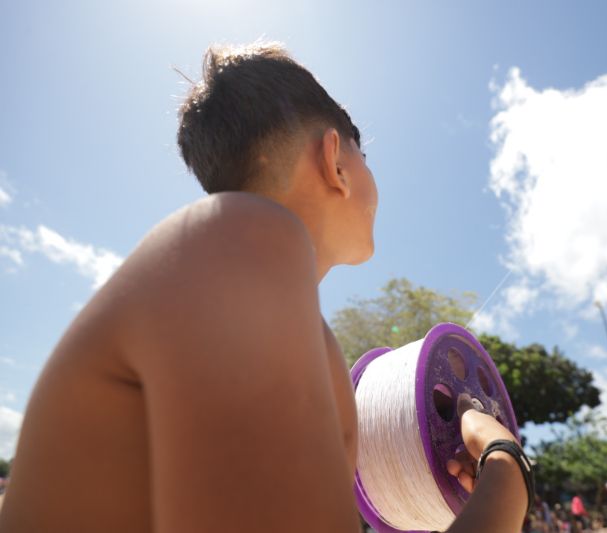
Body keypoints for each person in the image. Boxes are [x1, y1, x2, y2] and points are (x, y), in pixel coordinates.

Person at [0, 42, 529, 533]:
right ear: (336, 161)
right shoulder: (241, 242)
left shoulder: (234, 274)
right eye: (363, 154)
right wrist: (505, 466)